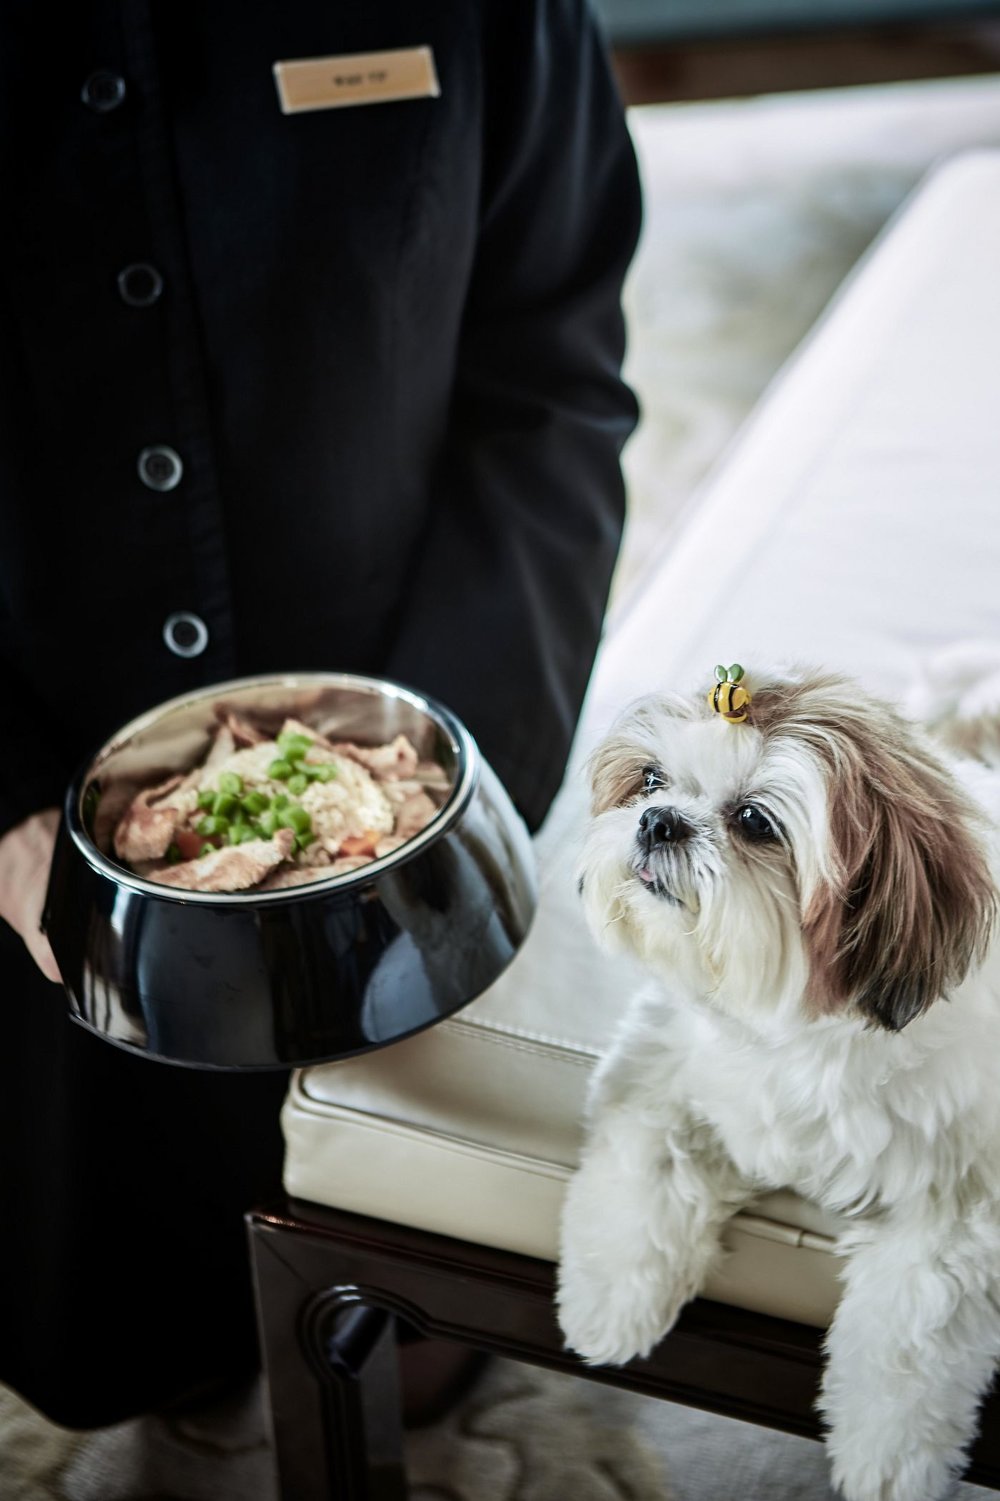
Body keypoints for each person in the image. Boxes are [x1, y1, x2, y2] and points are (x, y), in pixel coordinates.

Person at [0, 0, 641, 1427]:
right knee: (101, 1307)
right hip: (37, 793)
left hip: (404, 700)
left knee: (420, 1268)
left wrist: (439, 773)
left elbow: (549, 368)